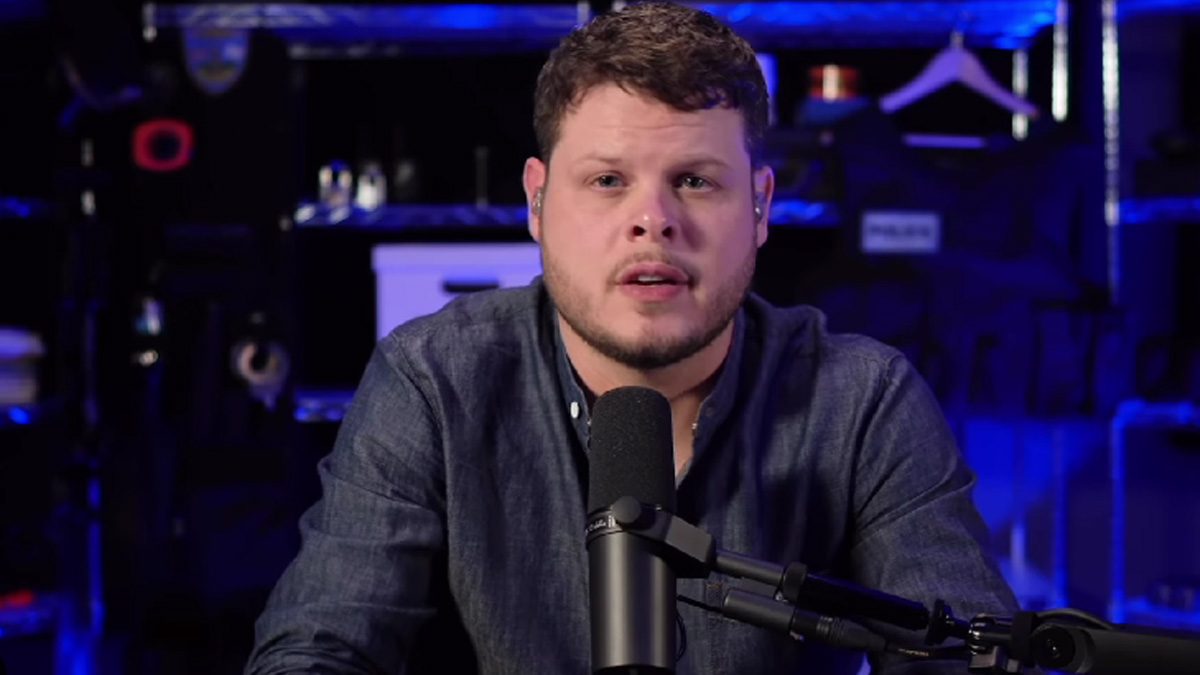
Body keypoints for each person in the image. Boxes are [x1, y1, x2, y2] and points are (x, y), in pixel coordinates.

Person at [246, 3, 1021, 673]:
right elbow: (319, 646)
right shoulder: (433, 380)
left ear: (759, 205)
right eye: (608, 180)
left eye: (694, 179)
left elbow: (960, 650)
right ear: (538, 202)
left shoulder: (862, 400)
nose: (653, 220)